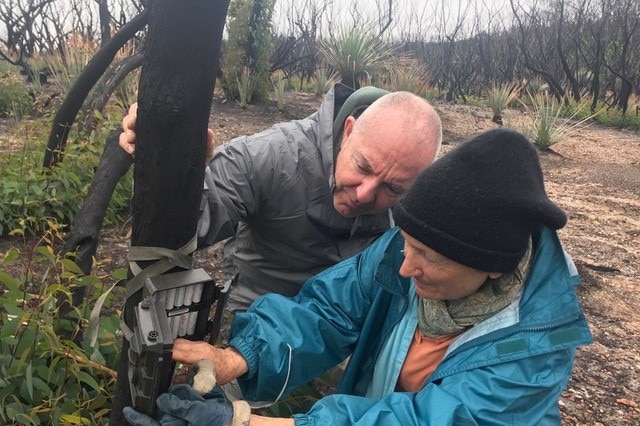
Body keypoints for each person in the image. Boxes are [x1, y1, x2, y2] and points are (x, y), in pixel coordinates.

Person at [122, 128, 593, 425]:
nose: (406, 268)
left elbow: (429, 421)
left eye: (427, 257)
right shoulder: (406, 248)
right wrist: (237, 359)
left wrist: (245, 423)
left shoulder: (533, 351)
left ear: (493, 267)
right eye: (406, 245)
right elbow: (327, 310)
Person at [120, 84, 442, 312]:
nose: (364, 194)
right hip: (261, 311)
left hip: (346, 318)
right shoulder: (269, 156)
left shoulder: (417, 194)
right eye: (362, 166)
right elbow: (186, 231)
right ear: (348, 131)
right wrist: (175, 173)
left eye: (394, 189)